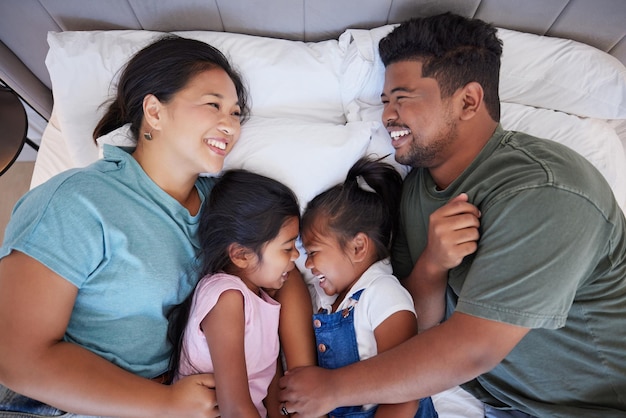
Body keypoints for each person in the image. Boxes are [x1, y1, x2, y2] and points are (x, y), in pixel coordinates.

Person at [279, 12, 626, 418]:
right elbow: (418, 324)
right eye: (385, 101)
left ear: (468, 101)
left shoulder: (545, 191)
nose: (387, 115)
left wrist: (334, 389)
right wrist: (431, 267)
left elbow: (473, 349)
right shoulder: (416, 191)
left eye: (403, 99)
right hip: (501, 404)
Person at [0, 35, 314, 417]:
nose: (230, 125)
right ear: (154, 111)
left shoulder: (222, 204)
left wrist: (299, 382)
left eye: (235, 113)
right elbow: (17, 359)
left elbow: (283, 271)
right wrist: (164, 404)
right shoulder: (76, 202)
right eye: (213, 105)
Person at [298, 156, 438, 418]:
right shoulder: (330, 301)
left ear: (358, 246)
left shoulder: (383, 293)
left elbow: (405, 389)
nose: (308, 264)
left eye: (313, 251)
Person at [167, 169, 301, 418]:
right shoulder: (226, 298)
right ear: (241, 255)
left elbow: (267, 385)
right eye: (287, 248)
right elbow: (234, 408)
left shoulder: (262, 299)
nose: (297, 256)